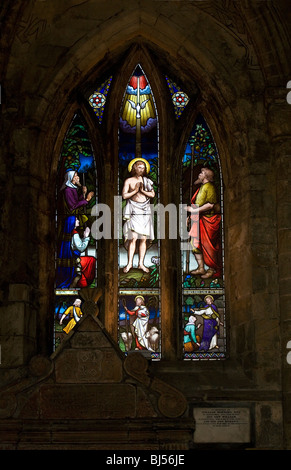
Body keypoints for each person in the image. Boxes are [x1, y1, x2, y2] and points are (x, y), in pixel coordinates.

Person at [185, 167, 222, 279]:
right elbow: (197, 204)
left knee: (208, 246)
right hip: (199, 219)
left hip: (208, 220)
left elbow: (210, 205)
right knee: (195, 244)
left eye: (201, 173)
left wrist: (193, 211)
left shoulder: (209, 187)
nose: (199, 175)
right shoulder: (201, 187)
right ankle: (201, 267)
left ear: (206, 176)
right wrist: (190, 217)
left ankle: (212, 269)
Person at [122, 158, 155, 273]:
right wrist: (135, 191)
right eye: (139, 167)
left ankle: (141, 263)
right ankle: (129, 264)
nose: (142, 169)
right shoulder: (129, 181)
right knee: (133, 238)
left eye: (143, 167)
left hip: (145, 211)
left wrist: (142, 190)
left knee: (143, 239)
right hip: (134, 211)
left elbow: (152, 194)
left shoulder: (147, 181)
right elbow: (125, 196)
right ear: (134, 168)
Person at [56, 215, 96, 288]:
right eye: (76, 220)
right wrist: (86, 237)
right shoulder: (74, 233)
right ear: (72, 222)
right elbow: (81, 248)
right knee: (91, 260)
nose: (78, 221)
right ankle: (82, 284)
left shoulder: (66, 233)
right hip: (74, 259)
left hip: (70, 259)